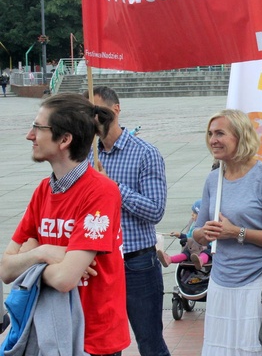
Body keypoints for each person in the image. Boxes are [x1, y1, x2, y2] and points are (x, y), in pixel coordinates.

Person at [0, 93, 129, 355]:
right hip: (48, 333)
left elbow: (65, 279)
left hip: (91, 339)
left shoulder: (101, 191)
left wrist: (30, 261)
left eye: (38, 127)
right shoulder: (43, 190)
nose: (30, 135)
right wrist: (44, 253)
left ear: (65, 139)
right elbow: (5, 270)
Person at [192, 109, 262, 356]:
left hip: (256, 283)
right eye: (211, 133)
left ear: (241, 136)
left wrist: (237, 232)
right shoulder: (214, 179)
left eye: (220, 133)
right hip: (220, 282)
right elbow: (197, 233)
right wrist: (205, 232)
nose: (213, 139)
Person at [86, 86, 170, 356]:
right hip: (100, 263)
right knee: (106, 346)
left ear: (116, 109)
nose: (93, 118)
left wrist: (112, 187)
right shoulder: (88, 155)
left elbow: (156, 210)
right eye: (88, 112)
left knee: (150, 343)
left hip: (138, 263)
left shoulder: (145, 153)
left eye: (98, 111)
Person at [157, 199, 211, 270]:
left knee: (206, 253)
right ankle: (170, 259)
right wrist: (180, 235)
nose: (192, 214)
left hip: (206, 248)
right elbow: (189, 236)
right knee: (186, 253)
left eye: (195, 213)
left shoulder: (209, 226)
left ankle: (201, 260)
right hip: (193, 249)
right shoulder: (194, 226)